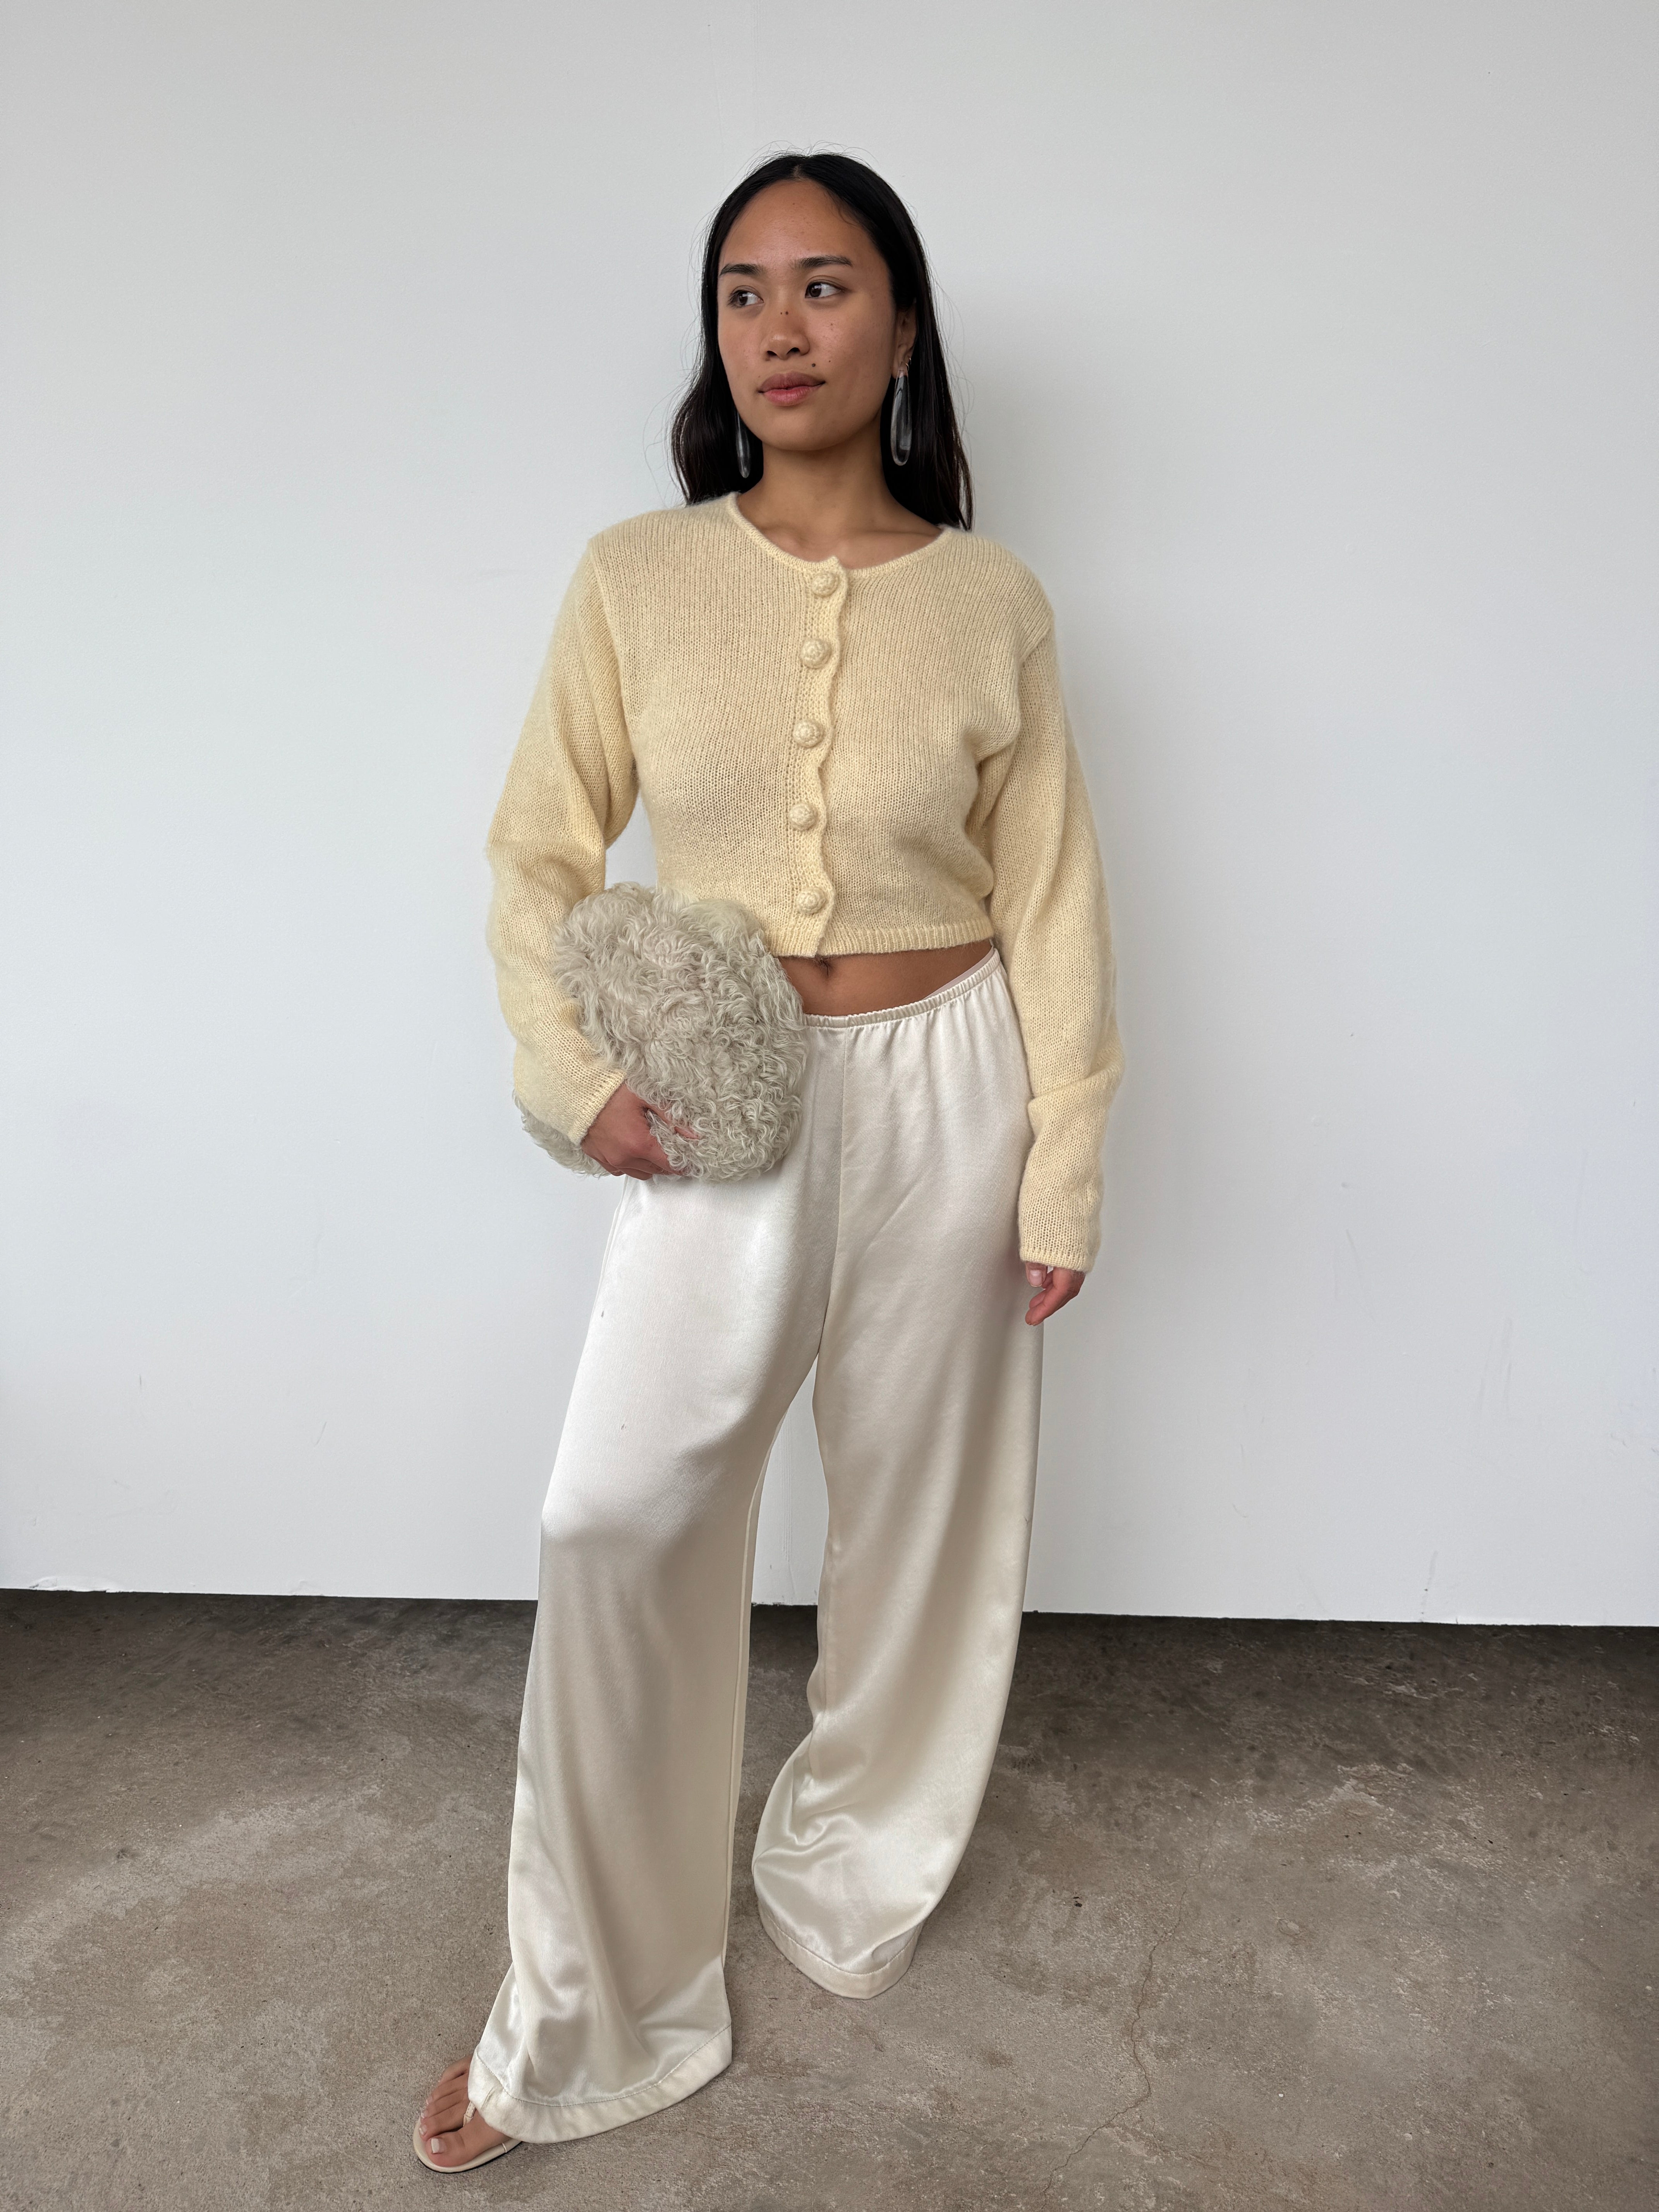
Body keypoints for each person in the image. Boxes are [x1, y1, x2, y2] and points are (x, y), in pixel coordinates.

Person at [414, 150, 1125, 2174]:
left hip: (952, 1086)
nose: (781, 327)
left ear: (901, 324)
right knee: (616, 1517)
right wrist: (577, 1078)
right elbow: (537, 849)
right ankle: (594, 2006)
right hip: (723, 1102)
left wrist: (1063, 1163)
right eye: (743, 290)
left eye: (825, 284)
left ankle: (850, 1868)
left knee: (923, 1518)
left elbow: (1055, 896)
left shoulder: (993, 600)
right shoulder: (635, 580)